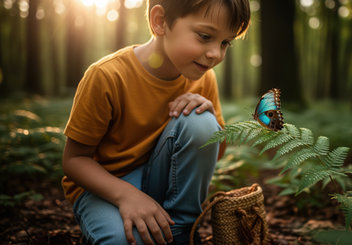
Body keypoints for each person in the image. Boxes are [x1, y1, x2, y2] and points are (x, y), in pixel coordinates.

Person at [61, 0, 250, 244]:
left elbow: (215, 151)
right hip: (104, 188)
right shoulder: (107, 76)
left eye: (225, 43)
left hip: (163, 180)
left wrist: (210, 117)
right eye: (205, 36)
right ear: (159, 21)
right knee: (123, 240)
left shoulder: (204, 78)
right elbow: (74, 160)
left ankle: (181, 232)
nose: (216, 53)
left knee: (201, 121)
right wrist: (126, 196)